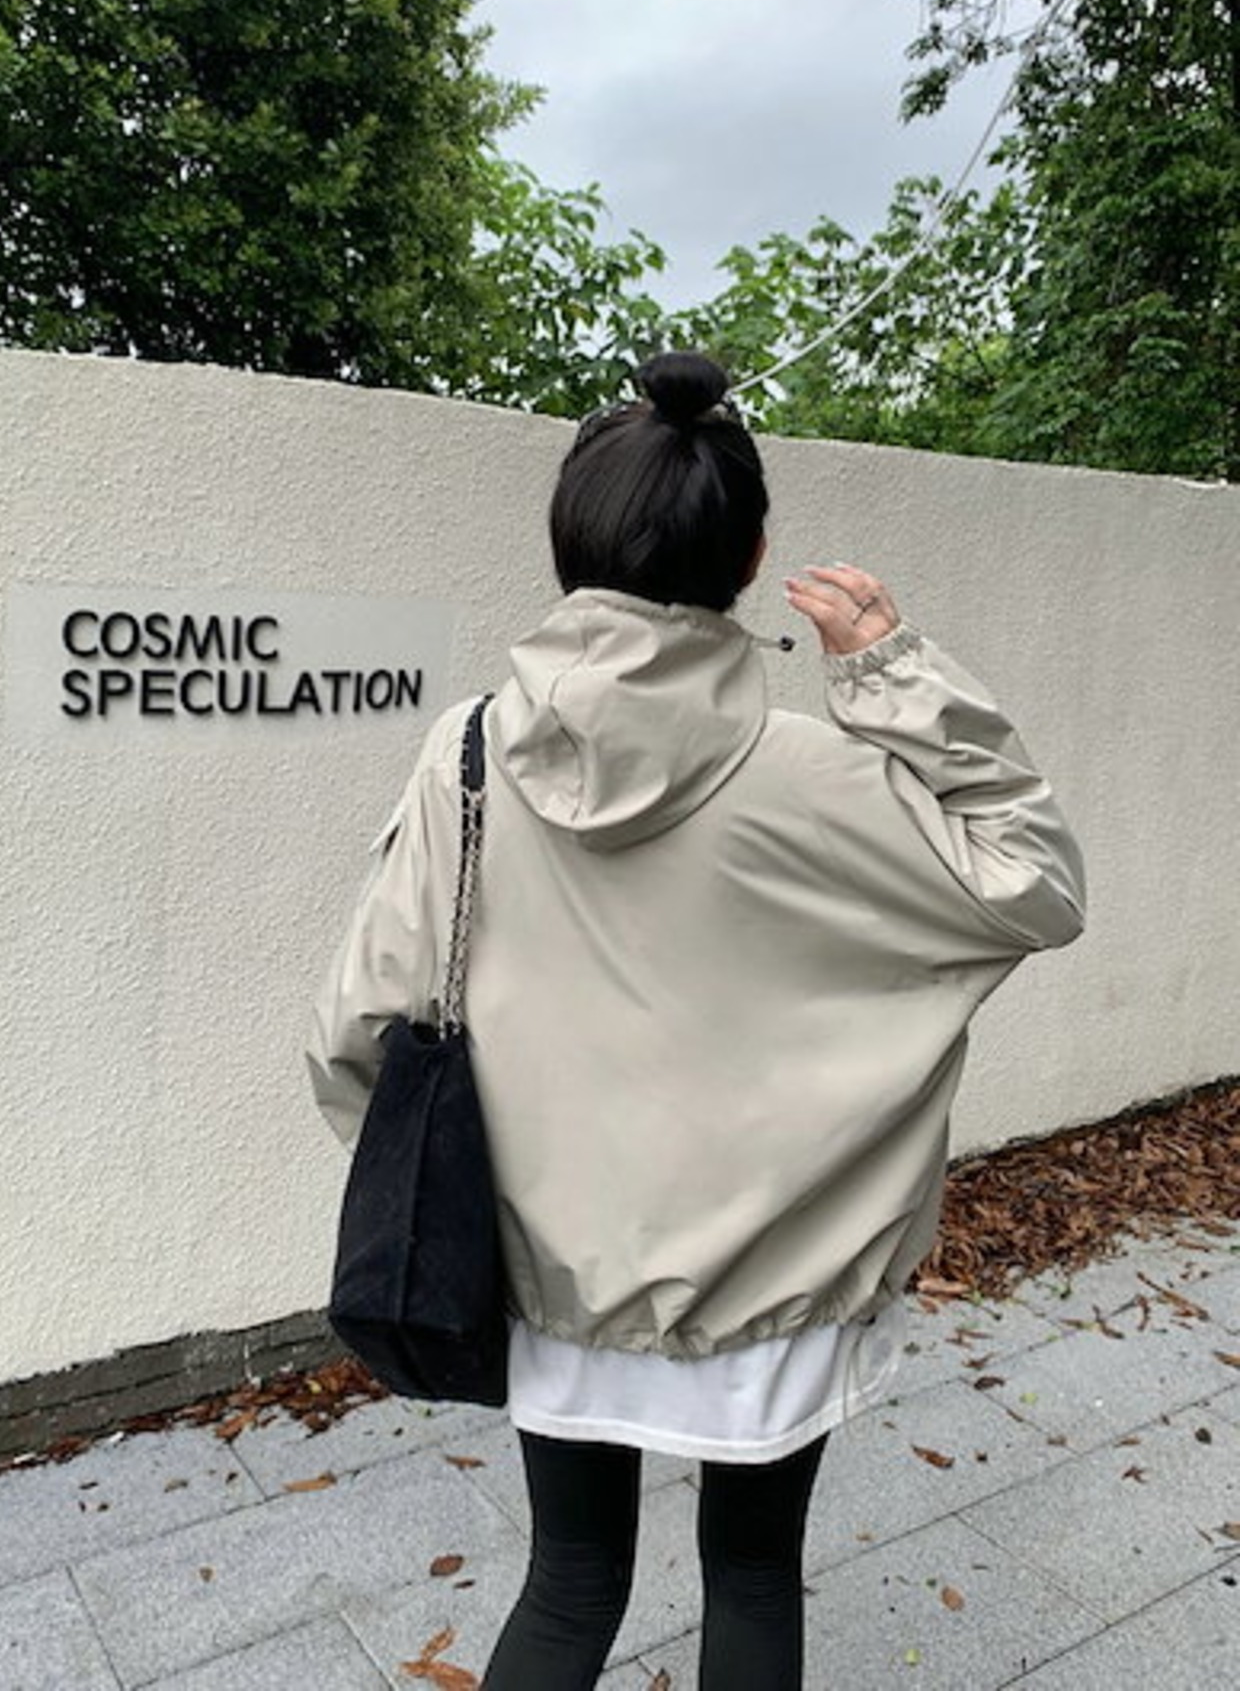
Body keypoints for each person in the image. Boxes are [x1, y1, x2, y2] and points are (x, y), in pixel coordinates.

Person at [306, 351, 1085, 1690]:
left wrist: (469, 1196)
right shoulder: (822, 776)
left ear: (569, 548)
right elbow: (1038, 881)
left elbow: (360, 1022)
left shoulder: (469, 754)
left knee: (568, 1583)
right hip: (778, 1282)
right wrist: (894, 674)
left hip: (551, 1273)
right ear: (754, 555)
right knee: (755, 1576)